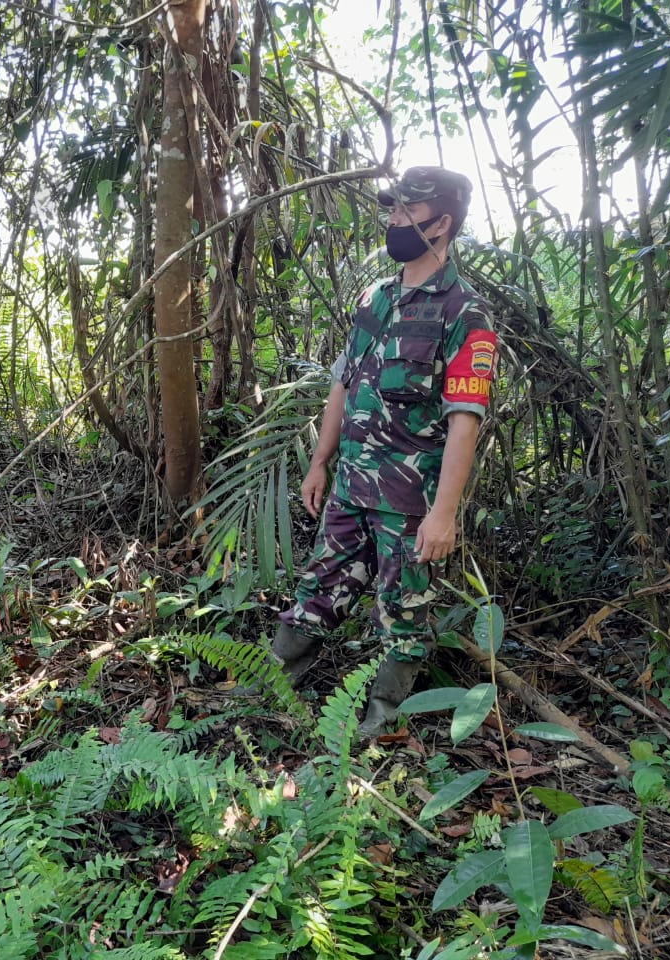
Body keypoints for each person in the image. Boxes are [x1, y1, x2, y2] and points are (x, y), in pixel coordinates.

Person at [272, 166, 498, 737]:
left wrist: (444, 513)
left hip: (409, 502)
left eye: (406, 212)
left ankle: (381, 719)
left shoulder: (464, 314)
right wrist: (320, 462)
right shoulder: (375, 297)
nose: (393, 221)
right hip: (350, 485)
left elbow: (465, 421)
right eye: (391, 209)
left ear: (442, 222)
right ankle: (273, 681)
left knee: (402, 615)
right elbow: (342, 385)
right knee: (319, 587)